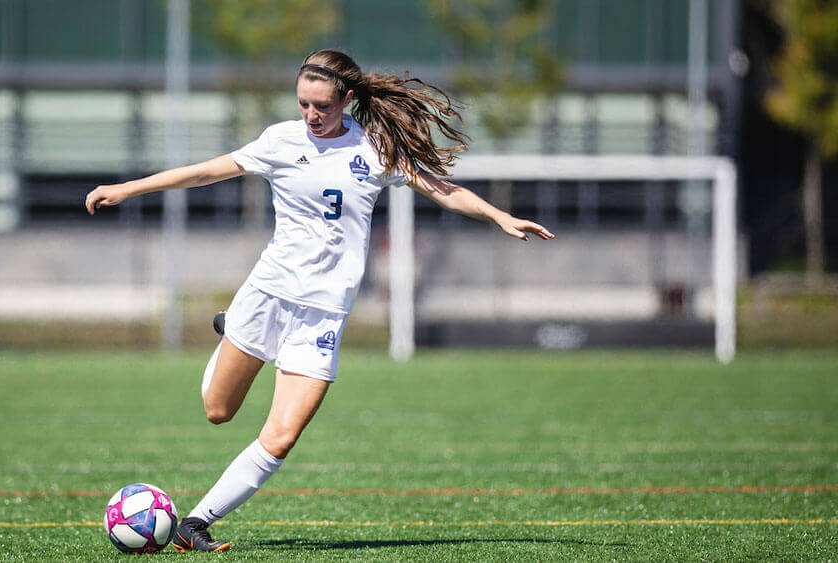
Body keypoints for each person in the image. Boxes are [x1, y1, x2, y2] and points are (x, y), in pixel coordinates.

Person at [85, 48, 554, 552]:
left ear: (347, 100)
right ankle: (235, 323)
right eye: (304, 103)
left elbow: (442, 189)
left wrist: (499, 216)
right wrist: (127, 188)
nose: (310, 114)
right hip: (269, 295)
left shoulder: (377, 148)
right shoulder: (281, 140)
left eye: (322, 106)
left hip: (324, 313)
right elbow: (204, 172)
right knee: (218, 411)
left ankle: (194, 523)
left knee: (282, 437)